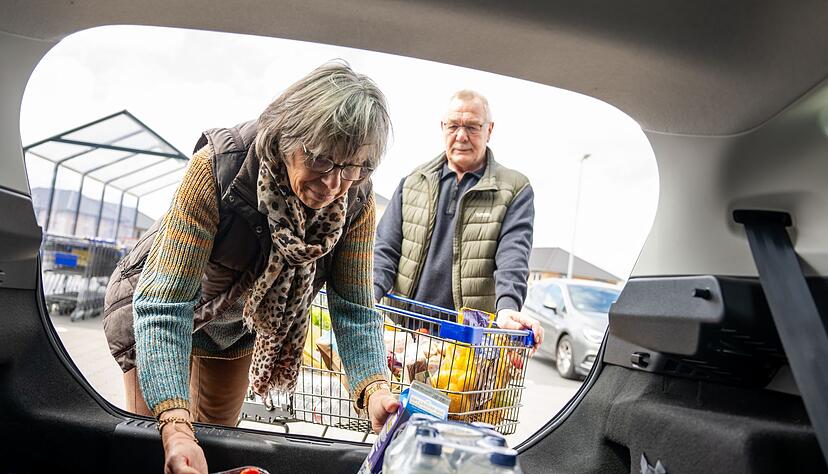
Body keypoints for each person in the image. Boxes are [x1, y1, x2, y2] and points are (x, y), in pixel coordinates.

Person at [102, 61, 398, 474]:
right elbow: (165, 304)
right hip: (157, 311)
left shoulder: (356, 198)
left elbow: (353, 305)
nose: (335, 184)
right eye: (321, 160)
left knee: (218, 442)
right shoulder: (219, 168)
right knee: (162, 446)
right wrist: (174, 426)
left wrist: (376, 390)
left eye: (355, 166)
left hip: (235, 328)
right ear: (286, 135)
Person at [373, 90, 543, 347]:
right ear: (442, 127)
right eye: (453, 126)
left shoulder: (514, 189)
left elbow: (513, 257)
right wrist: (368, 294)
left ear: (489, 130)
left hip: (463, 343)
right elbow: (385, 250)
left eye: (473, 127)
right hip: (403, 334)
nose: (461, 136)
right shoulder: (412, 182)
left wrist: (508, 307)